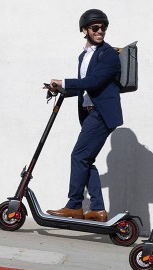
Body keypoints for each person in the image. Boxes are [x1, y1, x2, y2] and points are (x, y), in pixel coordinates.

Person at [45, 9, 122, 222]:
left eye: (103, 28)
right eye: (95, 28)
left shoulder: (109, 55)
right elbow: (84, 88)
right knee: (86, 159)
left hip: (101, 114)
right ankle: (97, 209)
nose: (100, 31)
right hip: (89, 113)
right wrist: (61, 90)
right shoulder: (84, 55)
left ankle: (74, 205)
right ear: (84, 30)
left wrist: (65, 82)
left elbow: (94, 82)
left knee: (78, 156)